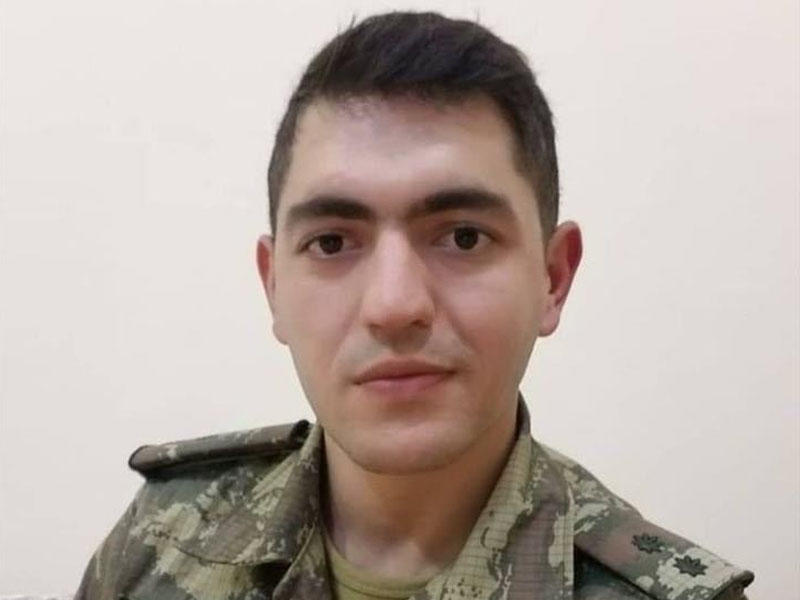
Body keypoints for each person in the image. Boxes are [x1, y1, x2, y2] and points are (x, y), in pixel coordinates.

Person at [76, 11, 753, 600]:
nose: (394, 305)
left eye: (463, 237)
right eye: (332, 242)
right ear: (273, 285)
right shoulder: (162, 539)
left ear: (553, 278)